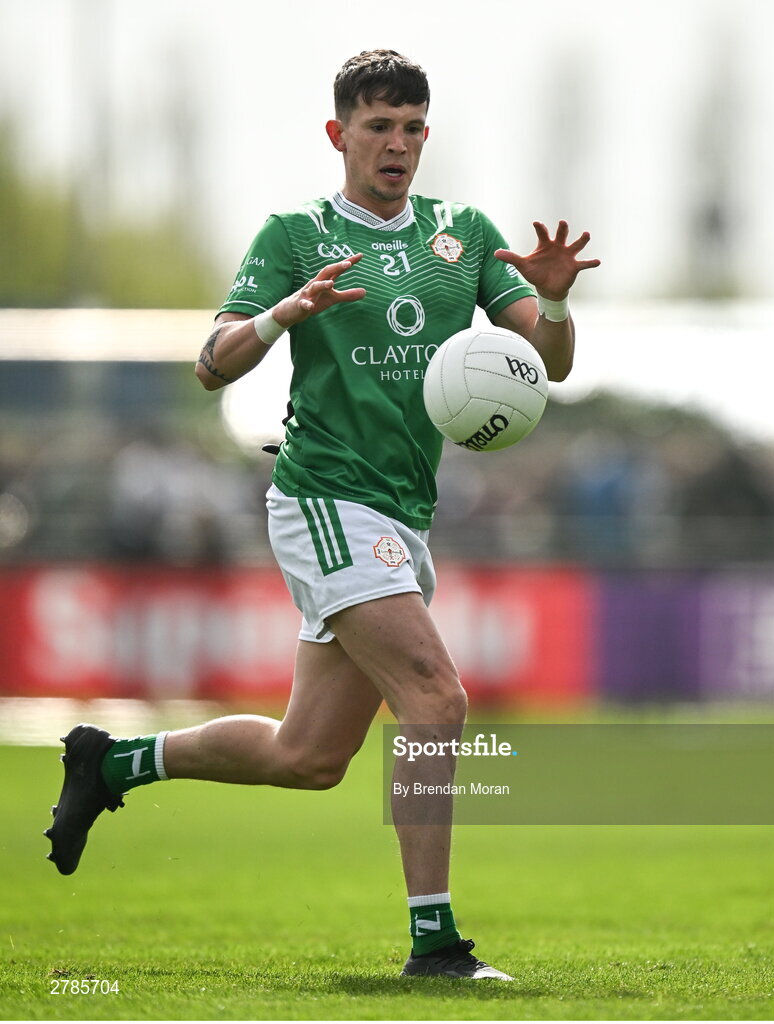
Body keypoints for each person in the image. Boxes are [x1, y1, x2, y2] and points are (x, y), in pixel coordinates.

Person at [44, 49, 600, 980]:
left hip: (400, 514)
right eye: (379, 126)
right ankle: (436, 945)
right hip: (326, 499)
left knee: (307, 757)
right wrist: (285, 315)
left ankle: (113, 763)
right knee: (438, 699)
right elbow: (211, 364)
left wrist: (549, 296)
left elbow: (553, 363)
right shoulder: (295, 234)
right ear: (338, 134)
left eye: (412, 127)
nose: (397, 144)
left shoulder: (460, 233)